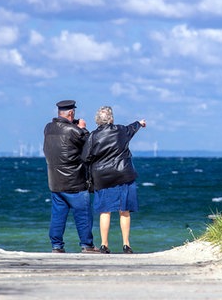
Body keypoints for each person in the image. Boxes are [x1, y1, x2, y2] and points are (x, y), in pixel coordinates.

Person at [81, 106, 146, 254]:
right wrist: (140, 123)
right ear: (111, 118)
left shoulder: (93, 136)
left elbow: (85, 157)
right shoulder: (121, 130)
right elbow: (132, 128)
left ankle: (104, 244)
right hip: (124, 175)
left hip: (102, 178)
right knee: (124, 211)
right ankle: (126, 244)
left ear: (98, 119)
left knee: (105, 211)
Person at [43, 100, 100, 253]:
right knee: (83, 216)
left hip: (55, 181)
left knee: (58, 216)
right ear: (71, 113)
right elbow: (90, 144)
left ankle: (56, 246)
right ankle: (87, 245)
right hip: (74, 181)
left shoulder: (48, 128)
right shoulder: (73, 131)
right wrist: (82, 128)